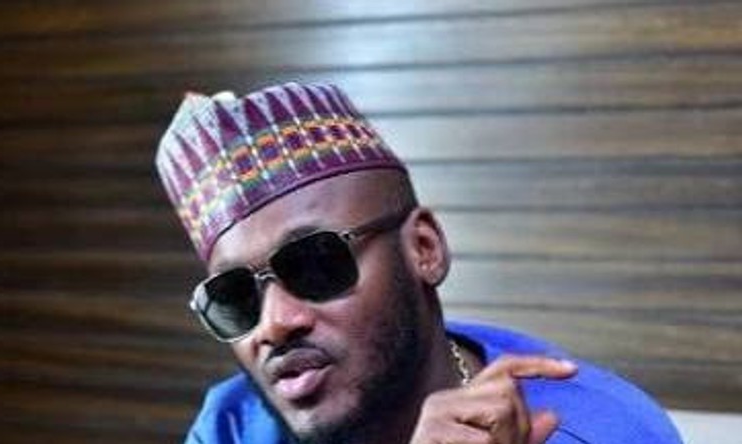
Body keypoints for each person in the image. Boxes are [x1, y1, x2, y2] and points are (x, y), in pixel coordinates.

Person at [155, 82, 683, 444]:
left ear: (424, 249)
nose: (273, 324)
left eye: (315, 263)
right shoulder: (234, 423)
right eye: (235, 296)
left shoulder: (592, 430)